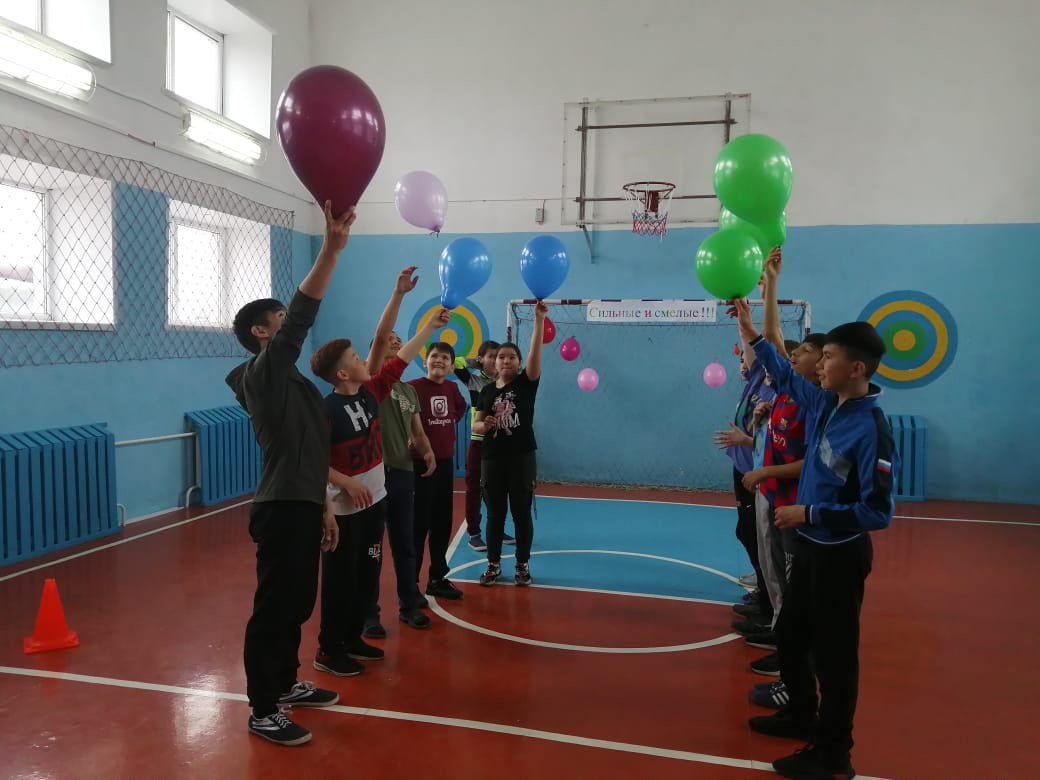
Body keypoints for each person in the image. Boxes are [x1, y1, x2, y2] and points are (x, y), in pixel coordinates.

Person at [733, 297, 898, 780]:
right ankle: (801, 712)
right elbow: (785, 377)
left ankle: (833, 754)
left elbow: (877, 511)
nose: (820, 365)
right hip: (810, 546)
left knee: (835, 658)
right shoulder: (829, 405)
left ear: (856, 368)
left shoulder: (871, 429)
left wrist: (809, 512)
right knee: (790, 631)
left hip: (839, 556)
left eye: (828, 357)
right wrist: (752, 332)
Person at [225, 201, 355, 747]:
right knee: (275, 609)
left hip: (302, 503)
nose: (289, 324)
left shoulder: (291, 382)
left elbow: (310, 453)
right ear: (262, 332)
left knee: (298, 604)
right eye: (278, 321)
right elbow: (301, 316)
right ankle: (262, 708)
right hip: (279, 508)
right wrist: (330, 251)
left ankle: (284, 683)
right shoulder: (265, 375)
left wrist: (324, 505)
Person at [309, 290, 450, 676]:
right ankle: (328, 649)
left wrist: (425, 323)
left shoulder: (371, 394)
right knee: (340, 580)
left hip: (375, 505)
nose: (365, 358)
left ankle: (353, 637)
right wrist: (346, 482)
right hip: (345, 513)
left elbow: (396, 349)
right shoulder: (326, 411)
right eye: (356, 357)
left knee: (368, 571)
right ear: (342, 374)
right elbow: (313, 462)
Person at [473, 300, 547, 586]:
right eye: (501, 357)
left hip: (521, 459)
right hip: (492, 459)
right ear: (494, 363)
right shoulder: (486, 391)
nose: (506, 361)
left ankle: (522, 565)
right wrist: (484, 425)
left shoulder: (526, 383)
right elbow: (477, 425)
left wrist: (538, 320)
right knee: (494, 515)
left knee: (521, 515)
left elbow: (535, 353)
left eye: (512, 357)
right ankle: (493, 565)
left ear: (518, 363)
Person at [410, 342, 469, 599]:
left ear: (451, 365)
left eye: (445, 358)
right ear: (425, 361)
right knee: (417, 525)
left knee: (442, 523)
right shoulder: (412, 388)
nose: (439, 360)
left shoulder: (452, 388)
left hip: (444, 465)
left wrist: (448, 421)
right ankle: (410, 584)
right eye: (434, 356)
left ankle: (437, 577)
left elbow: (461, 408)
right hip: (419, 465)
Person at [454, 340, 517, 551]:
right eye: (491, 356)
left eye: (497, 357)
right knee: (474, 486)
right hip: (479, 441)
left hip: (500, 443)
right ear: (482, 359)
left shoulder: (506, 382)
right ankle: (474, 532)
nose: (495, 360)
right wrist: (478, 361)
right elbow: (456, 362)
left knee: (497, 488)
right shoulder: (473, 381)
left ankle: (497, 528)